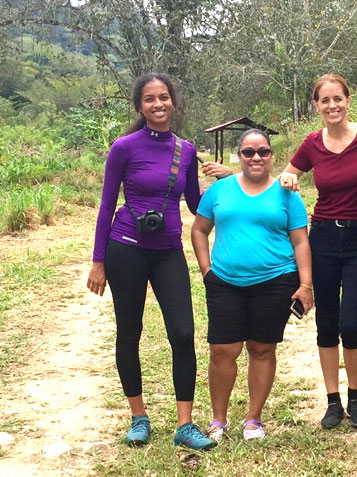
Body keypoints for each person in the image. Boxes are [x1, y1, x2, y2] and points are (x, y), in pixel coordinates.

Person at [86, 73, 218, 450]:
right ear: (140, 106)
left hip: (167, 253)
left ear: (173, 101)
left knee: (182, 333)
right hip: (124, 249)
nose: (158, 104)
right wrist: (99, 262)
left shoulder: (186, 150)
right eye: (149, 99)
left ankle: (185, 424)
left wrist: (233, 182)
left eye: (164, 97)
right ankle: (138, 417)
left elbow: (196, 205)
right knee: (129, 332)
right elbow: (107, 206)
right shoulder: (124, 148)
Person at [191, 128, 313, 441]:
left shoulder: (287, 193)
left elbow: (300, 241)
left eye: (263, 151)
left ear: (272, 156)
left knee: (261, 348)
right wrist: (207, 270)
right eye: (248, 152)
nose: (256, 157)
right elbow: (200, 230)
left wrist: (305, 284)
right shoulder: (220, 191)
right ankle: (218, 420)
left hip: (275, 281)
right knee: (223, 350)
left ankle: (253, 419)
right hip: (226, 282)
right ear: (239, 156)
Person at [278, 74, 357, 430]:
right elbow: (287, 175)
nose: (332, 106)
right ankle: (333, 402)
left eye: (338, 98)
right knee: (326, 322)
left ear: (349, 100)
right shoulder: (312, 143)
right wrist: (289, 178)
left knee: (351, 322)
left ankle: (356, 396)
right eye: (325, 100)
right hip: (322, 238)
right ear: (316, 106)